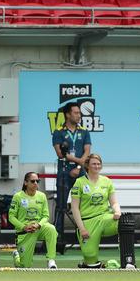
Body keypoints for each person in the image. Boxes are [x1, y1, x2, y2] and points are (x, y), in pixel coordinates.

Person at [70, 154, 130, 268]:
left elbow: (114, 202)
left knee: (125, 223)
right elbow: (74, 208)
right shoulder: (79, 182)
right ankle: (99, 265)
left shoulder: (107, 181)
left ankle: (128, 262)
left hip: (104, 218)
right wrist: (82, 229)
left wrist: (117, 211)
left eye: (98, 164)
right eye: (94, 164)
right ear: (87, 165)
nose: (96, 166)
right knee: (90, 260)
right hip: (87, 222)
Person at [52, 102, 91, 253]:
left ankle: (86, 234)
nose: (78, 115)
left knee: (86, 205)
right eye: (75, 113)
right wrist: (79, 161)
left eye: (79, 113)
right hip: (64, 172)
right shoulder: (58, 132)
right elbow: (60, 154)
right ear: (68, 114)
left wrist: (80, 166)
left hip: (81, 172)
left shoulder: (84, 131)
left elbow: (87, 151)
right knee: (61, 206)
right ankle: (58, 239)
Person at [9, 172, 57, 268]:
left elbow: (46, 216)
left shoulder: (42, 196)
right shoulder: (18, 196)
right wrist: (24, 227)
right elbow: (11, 217)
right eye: (32, 181)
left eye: (37, 181)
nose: (35, 183)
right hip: (25, 231)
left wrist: (38, 224)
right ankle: (17, 256)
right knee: (25, 266)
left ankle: (51, 260)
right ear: (25, 183)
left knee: (51, 229)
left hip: (38, 228)